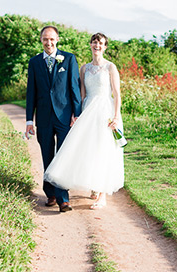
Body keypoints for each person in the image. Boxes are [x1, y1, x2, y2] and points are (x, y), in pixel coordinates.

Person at [44, 32, 124, 209]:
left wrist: (116, 116)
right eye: (94, 43)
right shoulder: (84, 68)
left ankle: (102, 194)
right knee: (88, 148)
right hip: (88, 110)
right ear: (90, 45)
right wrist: (76, 113)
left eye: (101, 43)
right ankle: (94, 185)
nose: (97, 46)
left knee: (103, 149)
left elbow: (117, 93)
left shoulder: (111, 67)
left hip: (105, 111)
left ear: (105, 47)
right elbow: (81, 94)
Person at [25, 25, 82, 212]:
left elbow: (74, 88)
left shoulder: (69, 58)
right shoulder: (34, 63)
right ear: (41, 40)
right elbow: (30, 93)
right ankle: (50, 193)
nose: (48, 42)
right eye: (45, 39)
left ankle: (63, 198)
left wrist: (77, 114)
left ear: (57, 39)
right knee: (47, 156)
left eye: (51, 39)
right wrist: (29, 121)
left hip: (64, 116)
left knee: (63, 156)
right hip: (43, 117)